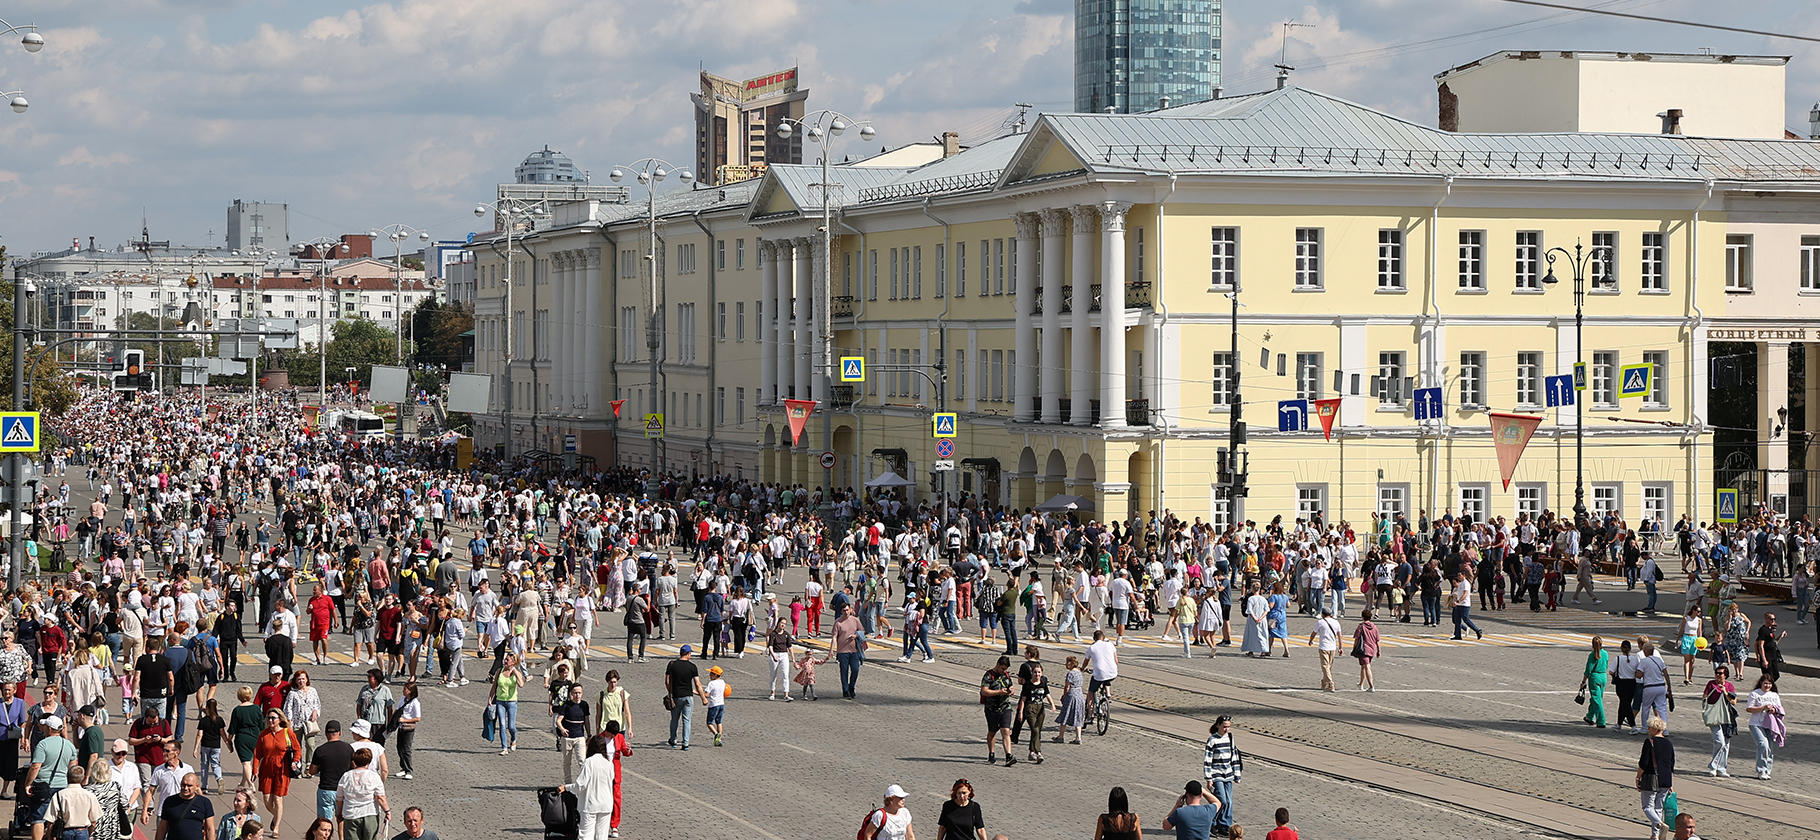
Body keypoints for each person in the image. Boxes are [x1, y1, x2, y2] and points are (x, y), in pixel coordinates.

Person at [250, 708, 300, 837]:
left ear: (280, 719)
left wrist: (295, 761)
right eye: (269, 718)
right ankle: (276, 815)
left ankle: (276, 828)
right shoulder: (263, 734)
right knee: (267, 800)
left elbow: (297, 749)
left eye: (273, 718)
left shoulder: (287, 732)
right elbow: (257, 754)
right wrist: (254, 770)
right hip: (266, 768)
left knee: (278, 799)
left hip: (282, 769)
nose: (271, 720)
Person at [560, 734, 615, 840]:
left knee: (586, 835)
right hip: (606, 804)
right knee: (602, 836)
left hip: (590, 804)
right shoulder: (609, 763)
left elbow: (580, 785)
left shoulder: (589, 762)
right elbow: (611, 780)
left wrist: (566, 787)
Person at [333, 748, 388, 840]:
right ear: (369, 761)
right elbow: (380, 797)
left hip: (351, 814)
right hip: (370, 813)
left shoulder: (346, 776)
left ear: (354, 761)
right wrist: (387, 811)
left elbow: (339, 798)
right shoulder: (374, 776)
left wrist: (339, 813)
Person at [306, 720, 354, 823]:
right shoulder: (348, 749)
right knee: (342, 820)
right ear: (340, 733)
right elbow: (353, 767)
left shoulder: (320, 750)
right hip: (343, 789)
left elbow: (312, 771)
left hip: (326, 789)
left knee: (324, 822)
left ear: (325, 733)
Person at [1201, 716, 1241, 838]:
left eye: (1228, 726)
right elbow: (1207, 760)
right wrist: (1209, 779)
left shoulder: (1230, 738)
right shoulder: (1212, 740)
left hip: (1228, 774)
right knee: (1221, 800)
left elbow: (1234, 756)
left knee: (1229, 802)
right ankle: (1212, 823)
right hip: (1216, 774)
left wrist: (1237, 774)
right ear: (1218, 725)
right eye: (1224, 726)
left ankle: (1224, 826)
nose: (1226, 729)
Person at [663, 645, 705, 750]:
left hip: (676, 696)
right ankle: (685, 743)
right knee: (687, 720)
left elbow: (667, 681)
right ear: (688, 654)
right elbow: (698, 684)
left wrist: (670, 691)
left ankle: (673, 740)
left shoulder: (672, 665)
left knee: (674, 719)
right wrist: (703, 698)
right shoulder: (692, 667)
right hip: (688, 697)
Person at [43, 764, 100, 840]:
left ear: (68, 778)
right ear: (82, 778)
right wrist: (89, 833)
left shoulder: (59, 795)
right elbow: (94, 821)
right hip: (82, 831)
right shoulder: (89, 795)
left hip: (65, 831)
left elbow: (51, 820)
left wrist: (49, 835)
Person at [1743, 674, 1783, 780]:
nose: (1767, 685)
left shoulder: (1774, 695)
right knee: (1763, 745)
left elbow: (1779, 708)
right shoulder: (1755, 694)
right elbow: (1749, 708)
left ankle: (1767, 770)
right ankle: (1761, 770)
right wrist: (1762, 708)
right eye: (1765, 683)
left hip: (1770, 724)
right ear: (1761, 683)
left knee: (1769, 748)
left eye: (1769, 683)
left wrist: (1773, 710)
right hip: (1756, 724)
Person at [153, 772, 215, 840]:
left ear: (197, 786)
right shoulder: (170, 801)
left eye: (189, 785)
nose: (185, 788)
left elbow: (210, 829)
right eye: (183, 784)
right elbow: (162, 827)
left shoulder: (204, 802)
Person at [1700, 666, 1736, 777]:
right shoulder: (1711, 684)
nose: (1718, 675)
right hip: (1714, 716)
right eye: (1717, 673)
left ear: (1726, 675)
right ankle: (1713, 766)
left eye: (1721, 673)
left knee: (1726, 745)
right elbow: (1704, 697)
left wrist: (1725, 692)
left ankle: (1721, 768)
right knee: (1720, 742)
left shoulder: (1729, 686)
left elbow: (1734, 702)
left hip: (1726, 716)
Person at [979, 656, 1016, 766]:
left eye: (1005, 669)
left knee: (1006, 731)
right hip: (992, 709)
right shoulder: (989, 675)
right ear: (998, 664)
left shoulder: (1006, 675)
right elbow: (984, 691)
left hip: (1005, 707)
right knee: (992, 731)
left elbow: (1012, 687)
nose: (1003, 671)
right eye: (1002, 668)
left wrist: (1010, 691)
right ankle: (991, 753)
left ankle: (1008, 756)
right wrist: (999, 692)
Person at [1015, 661, 1053, 765]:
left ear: (1042, 673)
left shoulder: (1043, 683)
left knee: (1037, 731)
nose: (1037, 674)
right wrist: (1020, 712)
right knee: (1035, 729)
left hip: (1040, 708)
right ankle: (1038, 752)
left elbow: (1048, 695)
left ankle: (1031, 752)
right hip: (1030, 708)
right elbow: (1023, 699)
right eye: (1035, 672)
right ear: (1032, 673)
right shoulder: (1028, 684)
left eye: (1039, 672)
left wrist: (1052, 705)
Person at [226, 686, 262, 790]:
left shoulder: (237, 710)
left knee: (246, 762)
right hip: (255, 736)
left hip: (242, 737)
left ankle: (251, 785)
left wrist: (229, 740)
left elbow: (233, 727)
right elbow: (261, 724)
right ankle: (242, 783)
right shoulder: (256, 708)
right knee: (248, 763)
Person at [554, 683, 589, 783]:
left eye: (579, 693)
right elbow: (558, 720)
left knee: (582, 761)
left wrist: (589, 734)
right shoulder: (566, 705)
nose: (577, 695)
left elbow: (586, 721)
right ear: (571, 694)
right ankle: (568, 783)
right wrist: (562, 729)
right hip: (567, 738)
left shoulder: (584, 705)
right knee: (567, 762)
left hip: (580, 737)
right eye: (575, 693)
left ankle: (583, 782)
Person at [191, 698, 227, 793]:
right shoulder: (220, 720)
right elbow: (222, 733)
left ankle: (204, 786)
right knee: (216, 764)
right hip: (216, 746)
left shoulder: (203, 720)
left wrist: (195, 748)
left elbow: (199, 735)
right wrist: (228, 743)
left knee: (204, 766)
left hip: (205, 745)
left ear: (206, 708)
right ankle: (219, 778)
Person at [491, 654, 524, 755]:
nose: (505, 661)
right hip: (500, 701)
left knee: (511, 726)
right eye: (505, 659)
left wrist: (515, 673)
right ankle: (504, 748)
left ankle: (513, 738)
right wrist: (490, 698)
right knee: (502, 724)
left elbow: (521, 684)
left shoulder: (517, 673)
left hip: (512, 702)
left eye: (508, 660)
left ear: (513, 662)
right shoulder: (499, 671)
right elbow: (495, 685)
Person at [831, 604, 865, 699]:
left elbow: (862, 631)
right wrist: (831, 650)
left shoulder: (855, 620)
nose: (846, 612)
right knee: (844, 671)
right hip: (842, 651)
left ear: (850, 610)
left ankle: (851, 687)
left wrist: (856, 636)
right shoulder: (838, 622)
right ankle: (845, 690)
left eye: (847, 610)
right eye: (844, 610)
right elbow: (834, 637)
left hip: (854, 650)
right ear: (841, 611)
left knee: (855, 669)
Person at [392, 682, 421, 780]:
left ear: (411, 691)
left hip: (408, 727)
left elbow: (417, 718)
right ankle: (403, 768)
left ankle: (409, 769)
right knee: (399, 747)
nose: (403, 691)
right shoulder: (403, 699)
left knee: (407, 748)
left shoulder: (415, 703)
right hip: (401, 726)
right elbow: (397, 709)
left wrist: (405, 720)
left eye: (405, 689)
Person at [1054, 657, 1086, 745]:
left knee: (1065, 714)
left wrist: (1064, 696)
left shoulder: (1070, 673)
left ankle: (1060, 736)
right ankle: (1078, 738)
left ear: (1072, 663)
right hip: (1080, 695)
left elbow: (1067, 687)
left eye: (1067, 662)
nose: (1066, 664)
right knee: (1078, 715)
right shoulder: (1079, 673)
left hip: (1071, 696)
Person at [1307, 609, 1340, 692]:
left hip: (1324, 646)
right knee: (1328, 666)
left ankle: (1330, 683)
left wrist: (1311, 640)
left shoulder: (1320, 622)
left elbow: (1314, 633)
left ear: (1323, 614)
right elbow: (1340, 635)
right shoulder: (1336, 622)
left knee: (1325, 666)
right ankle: (1324, 682)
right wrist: (1341, 647)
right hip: (1333, 647)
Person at [1581, 635, 1609, 728]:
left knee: (1597, 700)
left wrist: (1583, 681)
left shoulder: (1592, 655)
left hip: (1594, 677)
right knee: (1597, 698)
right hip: (1603, 676)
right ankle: (1590, 716)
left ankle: (1601, 721)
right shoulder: (1605, 653)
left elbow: (1588, 670)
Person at [1449, 572, 1483, 641]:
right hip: (1459, 604)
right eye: (1458, 575)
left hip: (1464, 604)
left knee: (1466, 619)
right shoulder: (1461, 583)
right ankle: (1457, 635)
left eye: (1459, 575)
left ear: (1464, 575)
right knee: (1457, 620)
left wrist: (1458, 601)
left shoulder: (1465, 583)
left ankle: (1477, 630)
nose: (1458, 577)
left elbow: (1465, 593)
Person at [1754, 611, 1785, 684]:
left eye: (1774, 619)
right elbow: (1759, 645)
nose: (1773, 621)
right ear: (1766, 619)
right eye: (1771, 619)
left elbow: (1774, 642)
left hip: (1773, 655)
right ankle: (1764, 687)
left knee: (1776, 675)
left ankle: (1765, 685)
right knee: (1768, 676)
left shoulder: (1771, 629)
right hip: (1767, 655)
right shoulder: (1763, 630)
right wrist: (1763, 659)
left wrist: (1781, 636)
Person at [704, 665, 729, 747]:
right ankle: (719, 739)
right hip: (721, 704)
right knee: (719, 722)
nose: (709, 675)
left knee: (709, 723)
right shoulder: (722, 682)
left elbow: (706, 695)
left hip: (713, 705)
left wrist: (696, 692)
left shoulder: (711, 683)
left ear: (715, 675)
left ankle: (716, 734)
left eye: (711, 673)